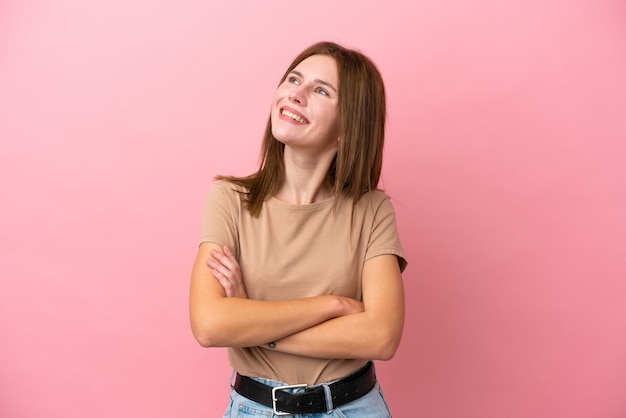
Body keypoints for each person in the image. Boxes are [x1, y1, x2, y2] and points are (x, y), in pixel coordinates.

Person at [189, 41, 407, 417]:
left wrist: (253, 320)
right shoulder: (230, 199)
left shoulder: (372, 210)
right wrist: (332, 305)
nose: (296, 93)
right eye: (294, 79)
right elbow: (210, 325)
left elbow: (382, 336)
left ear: (347, 126)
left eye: (321, 90)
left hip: (353, 408)